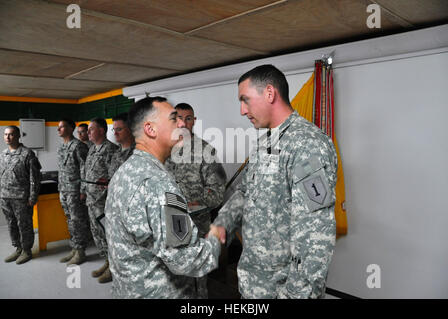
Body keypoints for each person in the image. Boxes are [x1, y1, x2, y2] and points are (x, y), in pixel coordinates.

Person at [211, 64, 338, 299]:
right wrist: (222, 224)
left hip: (281, 291)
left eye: (245, 100)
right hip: (253, 285)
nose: (241, 110)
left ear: (270, 93)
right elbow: (245, 192)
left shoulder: (306, 145)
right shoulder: (266, 143)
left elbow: (316, 235)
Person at [104, 96, 222, 298]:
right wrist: (216, 239)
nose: (182, 124)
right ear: (151, 129)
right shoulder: (158, 184)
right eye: (174, 119)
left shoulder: (127, 170)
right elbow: (185, 260)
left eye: (185, 119)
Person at [165, 102, 227, 298]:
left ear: (194, 122)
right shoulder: (165, 150)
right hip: (170, 225)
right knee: (174, 278)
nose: (183, 123)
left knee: (198, 281)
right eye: (178, 118)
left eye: (188, 118)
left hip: (196, 226)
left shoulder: (206, 151)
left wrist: (197, 201)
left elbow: (217, 193)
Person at [83, 118, 118, 283]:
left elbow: (115, 178)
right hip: (92, 201)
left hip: (104, 203)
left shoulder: (111, 150)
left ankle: (114, 267)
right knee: (97, 235)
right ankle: (107, 261)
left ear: (102, 131)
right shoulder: (91, 149)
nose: (88, 132)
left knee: (109, 235)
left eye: (91, 129)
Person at [1, 126, 41, 264]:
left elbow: (34, 178)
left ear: (18, 136)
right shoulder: (3, 154)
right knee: (11, 224)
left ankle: (26, 250)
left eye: (11, 134)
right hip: (5, 196)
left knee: (24, 225)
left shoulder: (27, 154)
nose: (8, 137)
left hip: (21, 197)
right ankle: (18, 248)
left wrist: (32, 197)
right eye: (5, 134)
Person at [56, 118, 91, 265]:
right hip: (64, 189)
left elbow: (85, 168)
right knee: (70, 220)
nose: (59, 130)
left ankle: (81, 251)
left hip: (75, 191)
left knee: (78, 221)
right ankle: (74, 248)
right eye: (58, 127)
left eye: (62, 127)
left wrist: (83, 190)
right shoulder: (61, 147)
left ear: (71, 128)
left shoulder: (78, 146)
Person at [108, 113, 135, 180]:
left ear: (130, 129)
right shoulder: (116, 152)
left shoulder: (139, 152)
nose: (115, 133)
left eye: (119, 129)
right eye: (114, 129)